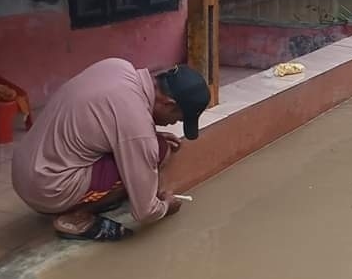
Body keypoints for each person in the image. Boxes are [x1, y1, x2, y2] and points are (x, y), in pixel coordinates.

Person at [11, 59, 210, 241]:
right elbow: (145, 212)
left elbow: (111, 119)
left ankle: (87, 197)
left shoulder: (117, 66)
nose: (171, 124)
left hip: (25, 168)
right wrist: (166, 206)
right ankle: (75, 217)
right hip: (46, 188)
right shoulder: (136, 126)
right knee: (156, 154)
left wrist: (145, 138)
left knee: (151, 147)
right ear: (169, 104)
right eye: (177, 119)